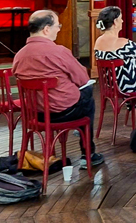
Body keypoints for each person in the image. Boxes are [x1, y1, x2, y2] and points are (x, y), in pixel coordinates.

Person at [12, 10, 104, 169]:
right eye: (57, 25)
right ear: (46, 29)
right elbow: (83, 78)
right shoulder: (58, 51)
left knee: (84, 97)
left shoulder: (19, 55)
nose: (59, 29)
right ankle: (87, 153)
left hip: (36, 114)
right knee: (87, 97)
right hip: (63, 112)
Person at [94, 6, 136, 106]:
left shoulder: (98, 42)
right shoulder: (124, 44)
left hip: (109, 86)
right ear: (115, 22)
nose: (123, 21)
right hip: (127, 86)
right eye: (120, 18)